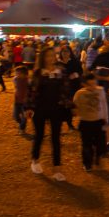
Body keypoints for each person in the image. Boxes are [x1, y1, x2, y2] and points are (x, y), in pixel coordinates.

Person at [25, 46, 70, 181]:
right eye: (47, 56)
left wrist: (69, 105)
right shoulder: (38, 73)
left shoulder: (61, 71)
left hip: (56, 108)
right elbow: (31, 91)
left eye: (52, 55)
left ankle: (57, 169)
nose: (50, 58)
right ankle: (35, 160)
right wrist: (28, 107)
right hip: (40, 108)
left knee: (56, 138)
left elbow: (66, 89)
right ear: (43, 58)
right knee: (39, 135)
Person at [72, 72, 109, 172]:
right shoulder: (79, 94)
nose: (93, 86)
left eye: (94, 83)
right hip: (85, 122)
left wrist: (106, 120)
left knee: (100, 143)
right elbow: (75, 107)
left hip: (99, 121)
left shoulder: (100, 90)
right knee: (86, 145)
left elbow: (104, 105)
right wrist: (74, 112)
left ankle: (98, 158)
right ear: (84, 84)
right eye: (90, 84)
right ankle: (87, 163)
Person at [12, 64, 30, 132]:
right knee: (15, 116)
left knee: (24, 116)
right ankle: (21, 124)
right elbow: (16, 87)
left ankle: (22, 127)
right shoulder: (15, 79)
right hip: (17, 100)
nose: (17, 74)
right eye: (16, 73)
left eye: (18, 73)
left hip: (25, 102)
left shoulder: (28, 80)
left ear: (24, 74)